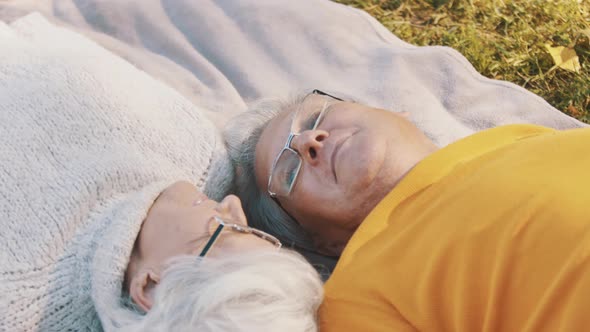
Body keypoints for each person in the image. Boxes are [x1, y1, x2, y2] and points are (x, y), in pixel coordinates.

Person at [225, 89, 590, 331]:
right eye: (289, 172)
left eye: (313, 119)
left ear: (393, 112)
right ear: (322, 243)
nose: (307, 141)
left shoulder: (515, 137)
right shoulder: (354, 297)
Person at [0, 100, 323, 331]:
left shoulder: (18, 294)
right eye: (255, 230)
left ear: (152, 288)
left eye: (228, 231)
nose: (233, 205)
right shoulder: (202, 157)